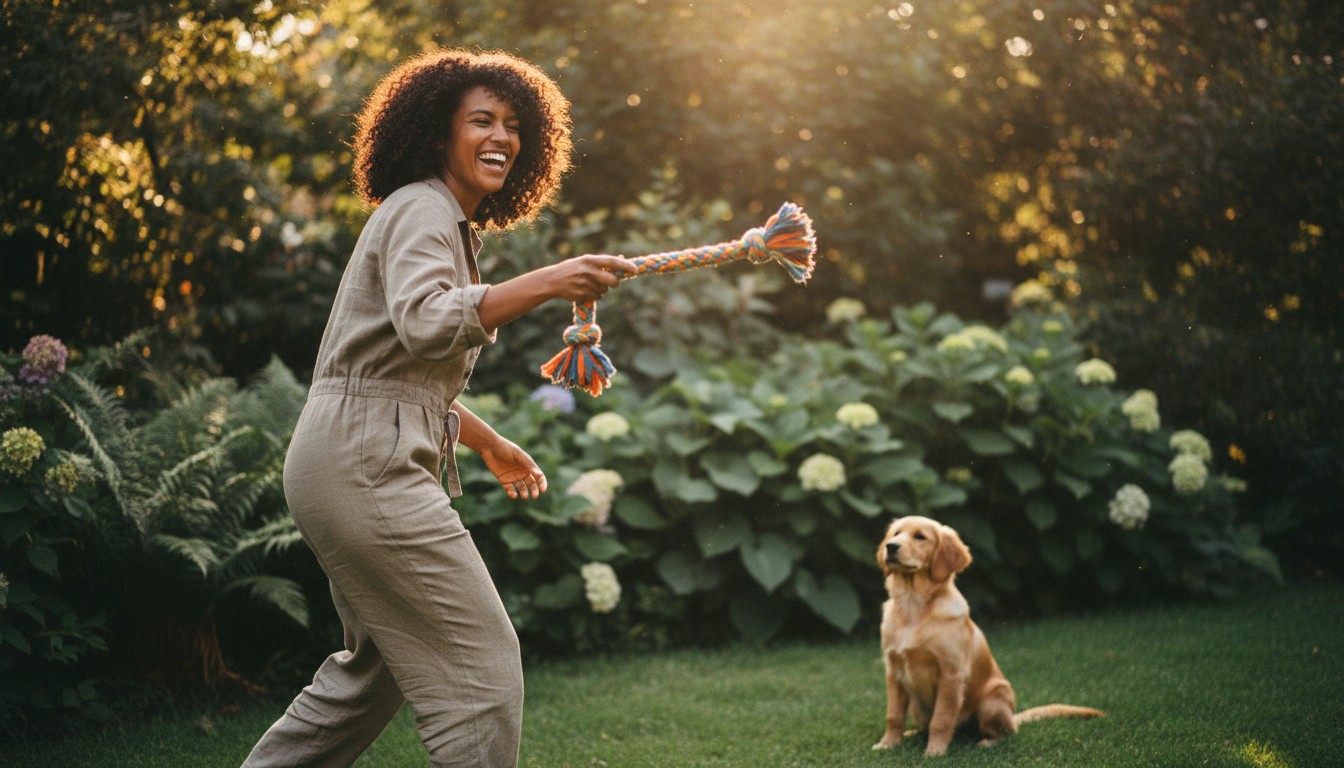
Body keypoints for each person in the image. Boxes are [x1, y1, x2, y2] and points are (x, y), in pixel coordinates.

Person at [242, 49, 629, 768]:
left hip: (345, 457)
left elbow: (396, 370)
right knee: (482, 669)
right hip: (365, 468)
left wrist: (484, 439)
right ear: (435, 132)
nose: (502, 137)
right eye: (481, 120)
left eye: (514, 125)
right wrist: (549, 280)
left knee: (374, 672)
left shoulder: (439, 218)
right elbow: (426, 321)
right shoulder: (422, 206)